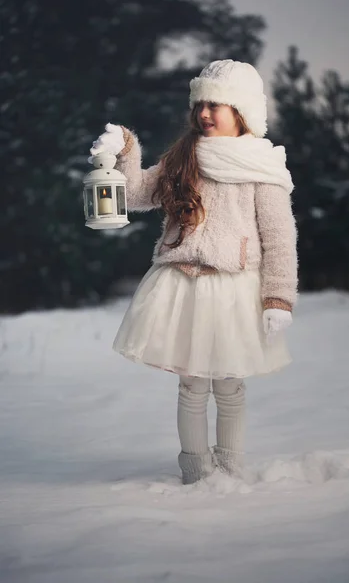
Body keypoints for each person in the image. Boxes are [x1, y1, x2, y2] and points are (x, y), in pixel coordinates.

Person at [89, 59, 298, 485]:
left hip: (235, 288)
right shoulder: (185, 156)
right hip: (183, 286)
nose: (204, 113)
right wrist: (125, 149)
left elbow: (278, 237)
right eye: (199, 103)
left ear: (241, 111)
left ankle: (231, 467)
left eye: (215, 104)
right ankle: (197, 471)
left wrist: (278, 297)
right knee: (192, 386)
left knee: (229, 385)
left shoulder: (262, 168)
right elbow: (135, 193)